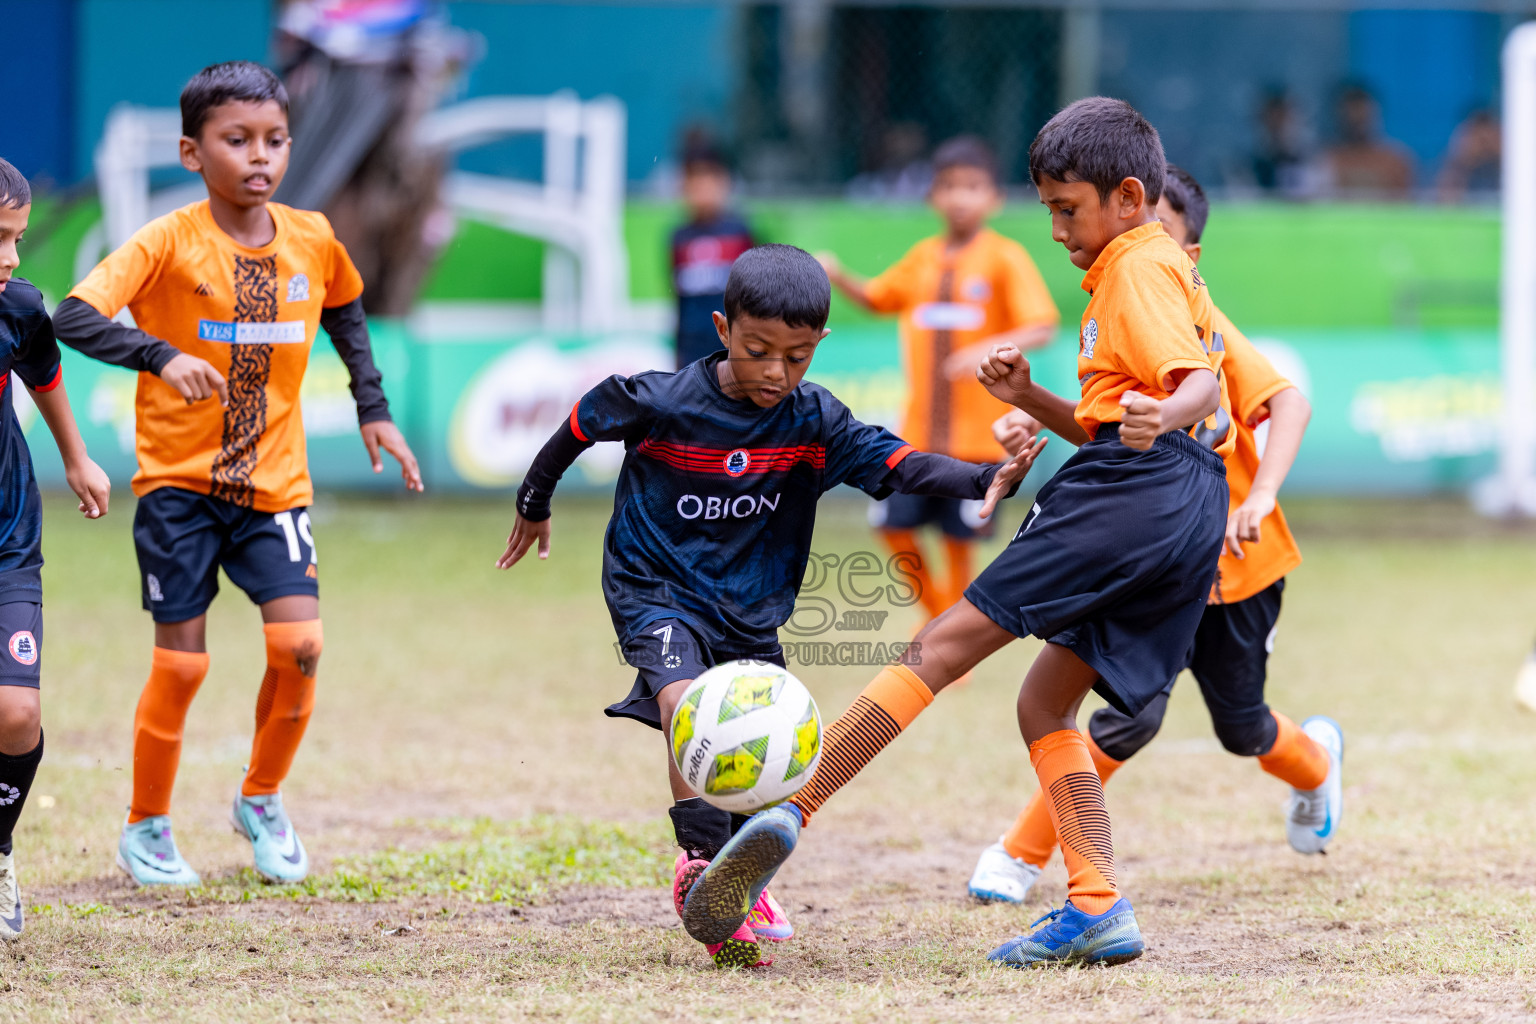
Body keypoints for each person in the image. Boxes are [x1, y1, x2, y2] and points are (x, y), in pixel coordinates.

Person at [683, 97, 1242, 969]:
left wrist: (1165, 413)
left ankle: (790, 811)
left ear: (1129, 198)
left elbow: (1198, 387)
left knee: (938, 647)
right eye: (1049, 209)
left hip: (1134, 488)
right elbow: (1127, 420)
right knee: (1044, 703)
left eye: (1068, 208)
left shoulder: (1136, 264)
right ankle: (1098, 904)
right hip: (1189, 502)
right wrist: (1029, 399)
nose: (1056, 229)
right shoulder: (1159, 266)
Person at [496, 243, 1046, 969]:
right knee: (691, 704)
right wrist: (534, 500)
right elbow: (581, 421)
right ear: (723, 329)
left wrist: (985, 478)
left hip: (750, 606)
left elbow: (896, 462)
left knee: (764, 743)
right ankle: (700, 863)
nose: (776, 373)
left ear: (819, 343)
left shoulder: (813, 421)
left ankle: (735, 883)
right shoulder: (662, 400)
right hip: (653, 587)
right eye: (757, 352)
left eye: (797, 357)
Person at [52, 61, 422, 888]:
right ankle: (146, 826)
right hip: (178, 489)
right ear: (192, 152)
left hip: (275, 490)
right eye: (238, 140)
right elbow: (73, 315)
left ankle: (261, 798)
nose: (261, 156)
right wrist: (158, 355)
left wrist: (373, 407)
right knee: (183, 665)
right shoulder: (166, 241)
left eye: (276, 140)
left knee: (301, 647)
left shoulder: (312, 236)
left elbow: (344, 303)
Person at [968, 164, 1343, 907]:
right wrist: (1030, 401)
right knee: (1126, 719)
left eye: (1154, 229)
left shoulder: (1199, 324)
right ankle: (1021, 853)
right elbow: (1104, 433)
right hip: (1155, 560)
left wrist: (1261, 496)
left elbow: (1289, 404)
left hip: (1237, 568)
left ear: (1186, 255)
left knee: (1241, 727)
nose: (1133, 242)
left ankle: (1318, 766)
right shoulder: (1116, 316)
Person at [819, 136, 1058, 624]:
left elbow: (1041, 325)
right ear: (933, 195)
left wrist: (982, 348)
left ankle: (945, 635)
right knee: (891, 526)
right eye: (948, 186)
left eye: (972, 186)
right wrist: (838, 275)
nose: (959, 197)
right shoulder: (923, 257)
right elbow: (878, 298)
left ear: (994, 197)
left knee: (958, 543)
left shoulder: (1004, 258)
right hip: (917, 436)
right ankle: (937, 618)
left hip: (977, 440)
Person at [0, 159, 113, 939]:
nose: (11, 257)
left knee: (16, 713)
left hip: (8, 537)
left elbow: (42, 367)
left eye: (18, 238)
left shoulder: (18, 307)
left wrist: (76, 457)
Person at [670, 135, 754, 369]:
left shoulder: (740, 232)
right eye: (694, 183)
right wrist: (678, 351)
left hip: (732, 348)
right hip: (692, 350)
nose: (702, 191)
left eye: (708, 182)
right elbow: (678, 299)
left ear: (723, 182)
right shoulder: (679, 238)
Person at [1324, 84, 1414, 200]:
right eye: (1353, 119)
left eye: (1363, 117)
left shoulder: (1396, 159)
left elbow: (1408, 200)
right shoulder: (1329, 160)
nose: (1359, 124)